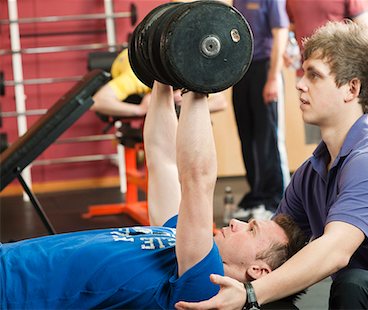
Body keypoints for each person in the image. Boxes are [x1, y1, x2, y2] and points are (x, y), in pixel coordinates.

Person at [175, 21, 368, 310]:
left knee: (353, 285)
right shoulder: (311, 172)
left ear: (351, 89)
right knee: (267, 286)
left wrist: (250, 294)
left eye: (314, 75)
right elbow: (276, 249)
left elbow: (334, 252)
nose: (299, 83)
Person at [0, 81, 306, 309]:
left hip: (12, 291)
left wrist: (198, 86)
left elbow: (197, 180)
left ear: (257, 270)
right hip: (8, 260)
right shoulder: (180, 242)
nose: (238, 223)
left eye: (251, 230)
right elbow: (163, 161)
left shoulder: (205, 284)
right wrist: (162, 77)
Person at [231, 0, 291, 221]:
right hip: (242, 70)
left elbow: (281, 32)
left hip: (265, 68)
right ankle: (256, 195)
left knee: (268, 137)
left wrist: (273, 78)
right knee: (247, 137)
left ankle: (275, 199)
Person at [284, 0, 368, 145]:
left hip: (337, 78)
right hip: (307, 73)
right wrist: (288, 45)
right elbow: (292, 26)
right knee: (320, 145)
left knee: (346, 141)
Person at [91, 48, 228, 118]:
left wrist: (188, 101)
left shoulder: (190, 69)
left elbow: (221, 102)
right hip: (128, 61)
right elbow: (98, 101)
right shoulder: (137, 78)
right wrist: (139, 110)